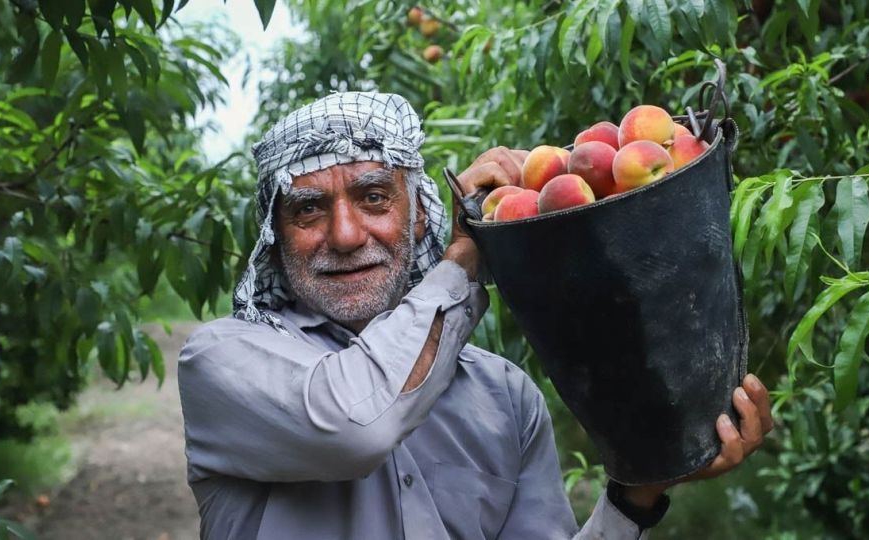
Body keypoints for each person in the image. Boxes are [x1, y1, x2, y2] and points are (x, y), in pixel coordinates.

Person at [178, 92, 773, 540]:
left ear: (418, 217)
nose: (346, 234)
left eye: (374, 198)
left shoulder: (504, 397)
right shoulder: (222, 362)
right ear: (275, 240)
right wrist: (464, 255)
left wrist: (638, 492)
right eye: (308, 210)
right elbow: (357, 424)